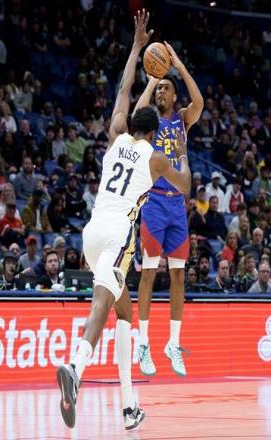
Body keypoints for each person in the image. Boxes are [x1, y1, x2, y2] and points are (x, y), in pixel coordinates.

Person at [55, 10, 191, 431]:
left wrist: (136, 49)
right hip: (117, 236)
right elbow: (186, 186)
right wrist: (181, 156)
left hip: (91, 233)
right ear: (155, 131)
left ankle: (130, 406)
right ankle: (75, 368)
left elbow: (123, 88)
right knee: (101, 302)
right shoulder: (156, 158)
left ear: (133, 123)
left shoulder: (115, 134)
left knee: (126, 314)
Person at [134, 36, 203, 378]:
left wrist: (178, 67)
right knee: (148, 272)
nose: (161, 92)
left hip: (178, 206)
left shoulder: (183, 119)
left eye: (165, 88)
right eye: (158, 89)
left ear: (175, 96)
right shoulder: (150, 122)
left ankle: (173, 344)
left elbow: (200, 101)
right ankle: (143, 342)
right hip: (154, 202)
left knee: (178, 275)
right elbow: (135, 115)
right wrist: (152, 78)